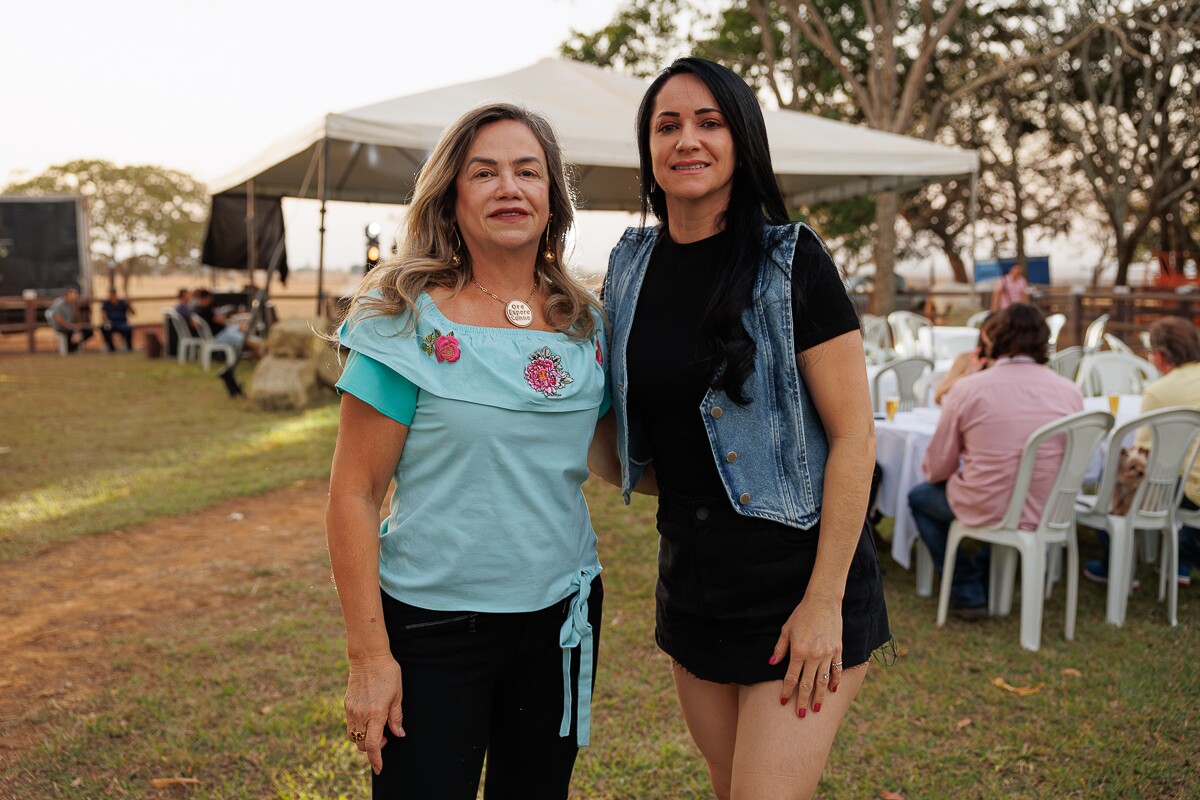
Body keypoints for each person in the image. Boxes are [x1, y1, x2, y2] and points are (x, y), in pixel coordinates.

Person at [597, 57, 890, 800]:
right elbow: (628, 437)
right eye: (667, 125)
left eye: (709, 122)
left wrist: (824, 601)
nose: (686, 140)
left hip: (797, 585)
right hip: (693, 581)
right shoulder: (629, 266)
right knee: (730, 786)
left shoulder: (790, 262)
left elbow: (855, 438)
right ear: (648, 149)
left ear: (741, 142)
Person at [326, 103, 608, 799]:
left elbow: (613, 457)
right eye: (484, 172)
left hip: (561, 620)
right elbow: (353, 495)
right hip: (432, 625)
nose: (509, 188)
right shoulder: (401, 319)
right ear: (453, 196)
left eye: (527, 172)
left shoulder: (590, 324)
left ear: (553, 199)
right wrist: (369, 657)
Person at [908, 303, 1083, 619]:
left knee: (920, 496)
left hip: (989, 504)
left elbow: (937, 469)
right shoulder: (1070, 391)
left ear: (993, 339)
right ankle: (985, 573)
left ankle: (966, 586)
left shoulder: (969, 389)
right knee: (1004, 497)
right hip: (1049, 507)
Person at [1084, 316, 1200, 587]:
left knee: (1114, 475)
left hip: (1189, 490)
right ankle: (1179, 560)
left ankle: (1117, 563)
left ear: (1159, 356)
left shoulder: (1159, 391)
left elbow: (1144, 452)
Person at [192, 289, 261, 358]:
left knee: (241, 332)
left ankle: (258, 350)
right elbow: (221, 321)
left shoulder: (196, 310)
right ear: (207, 298)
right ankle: (259, 353)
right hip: (219, 335)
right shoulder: (206, 310)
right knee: (245, 339)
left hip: (220, 333)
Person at [46, 284, 94, 353]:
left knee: (88, 331)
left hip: (70, 325)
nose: (75, 296)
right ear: (67, 295)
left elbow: (75, 317)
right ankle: (69, 348)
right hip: (61, 327)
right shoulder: (59, 304)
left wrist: (78, 324)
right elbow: (58, 319)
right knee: (68, 332)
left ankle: (74, 347)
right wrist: (70, 326)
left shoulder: (72, 304)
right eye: (73, 294)